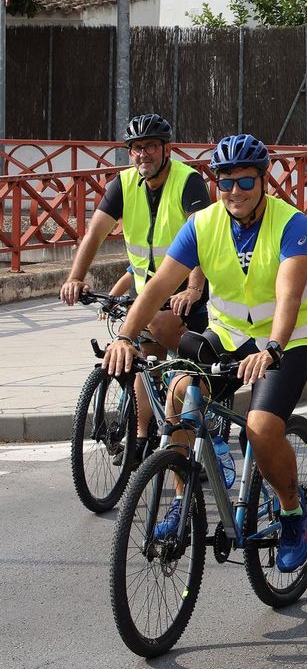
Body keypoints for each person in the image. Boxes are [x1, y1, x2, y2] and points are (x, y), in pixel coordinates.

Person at [102, 134, 307, 573]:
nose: (234, 192)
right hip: (225, 333)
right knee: (179, 395)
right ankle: (182, 502)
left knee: (260, 431)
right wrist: (125, 336)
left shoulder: (291, 223)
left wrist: (274, 347)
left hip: (287, 341)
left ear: (264, 181)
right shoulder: (202, 224)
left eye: (244, 182)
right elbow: (160, 285)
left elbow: (289, 293)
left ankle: (293, 513)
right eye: (225, 183)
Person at [61, 113, 211, 455]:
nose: (143, 154)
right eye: (136, 148)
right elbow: (94, 234)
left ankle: (206, 428)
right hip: (146, 294)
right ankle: (142, 441)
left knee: (185, 365)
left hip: (188, 294)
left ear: (167, 149)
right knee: (145, 362)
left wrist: (194, 287)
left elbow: (204, 238)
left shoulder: (189, 182)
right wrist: (75, 277)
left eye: (151, 147)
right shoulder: (123, 184)